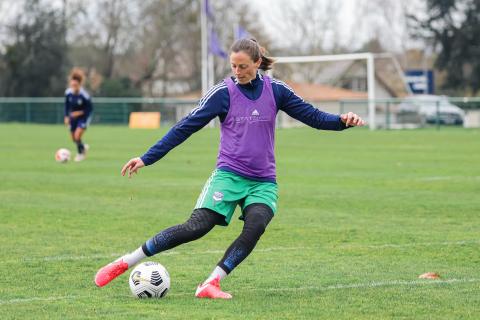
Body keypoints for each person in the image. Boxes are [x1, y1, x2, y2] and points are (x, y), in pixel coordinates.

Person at [94, 39, 365, 299]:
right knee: (197, 227)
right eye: (233, 66)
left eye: (243, 66)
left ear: (257, 62)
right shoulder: (222, 93)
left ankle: (211, 282)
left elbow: (314, 116)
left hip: (263, 181)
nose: (237, 72)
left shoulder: (277, 90)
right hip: (228, 175)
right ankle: (126, 261)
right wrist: (146, 158)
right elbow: (184, 128)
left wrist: (342, 121)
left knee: (256, 224)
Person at [64, 68, 93, 162]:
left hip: (83, 118)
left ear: (79, 84)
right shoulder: (68, 93)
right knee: (73, 138)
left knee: (77, 136)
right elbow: (66, 106)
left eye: (75, 85)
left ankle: (80, 154)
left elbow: (89, 109)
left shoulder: (84, 95)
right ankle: (83, 146)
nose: (73, 87)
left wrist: (79, 113)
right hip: (73, 119)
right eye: (72, 85)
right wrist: (66, 116)